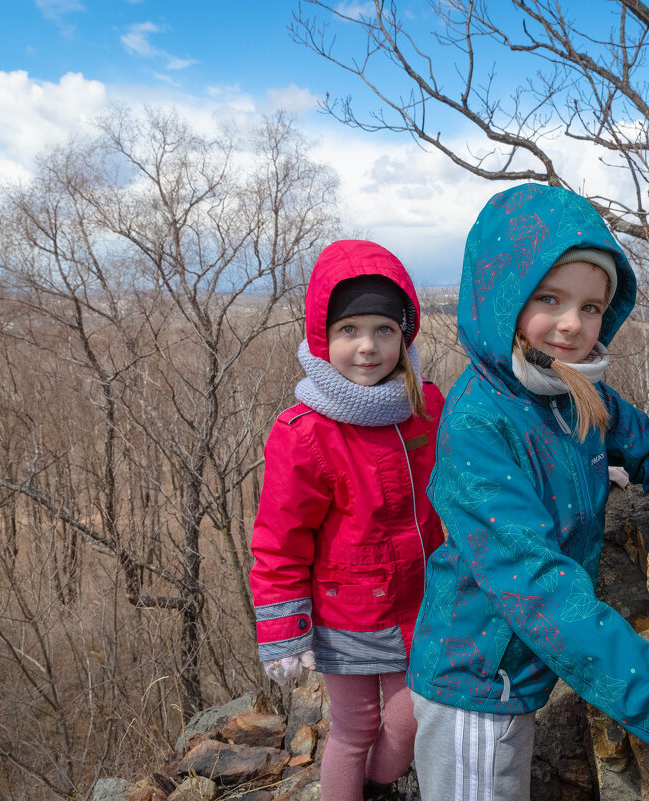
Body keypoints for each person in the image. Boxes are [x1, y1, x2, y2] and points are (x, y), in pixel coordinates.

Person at [407, 184, 649, 800]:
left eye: (593, 306)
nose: (573, 323)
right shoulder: (479, 425)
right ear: (501, 297)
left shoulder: (577, 394)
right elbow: (541, 594)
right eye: (549, 297)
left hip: (516, 675)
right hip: (475, 685)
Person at [249, 240, 445, 801]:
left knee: (413, 715)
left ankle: (377, 788)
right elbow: (281, 540)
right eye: (349, 330)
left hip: (424, 600)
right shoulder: (305, 432)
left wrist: (581, 467)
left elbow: (481, 467)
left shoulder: (425, 405)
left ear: (404, 336)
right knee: (355, 729)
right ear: (323, 337)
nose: (367, 346)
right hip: (348, 612)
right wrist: (285, 628)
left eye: (384, 330)